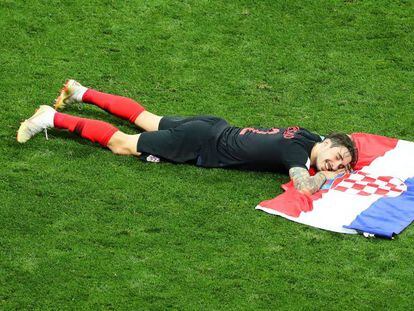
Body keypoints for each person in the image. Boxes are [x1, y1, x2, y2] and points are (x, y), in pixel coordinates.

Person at [17, 80, 358, 195]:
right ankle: (50, 117)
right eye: (338, 156)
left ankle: (80, 91)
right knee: (123, 143)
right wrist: (327, 177)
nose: (337, 164)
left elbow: (318, 154)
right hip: (201, 143)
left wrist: (336, 161)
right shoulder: (296, 153)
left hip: (213, 125)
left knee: (144, 117)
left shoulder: (309, 136)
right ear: (326, 142)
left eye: (342, 163)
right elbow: (303, 185)